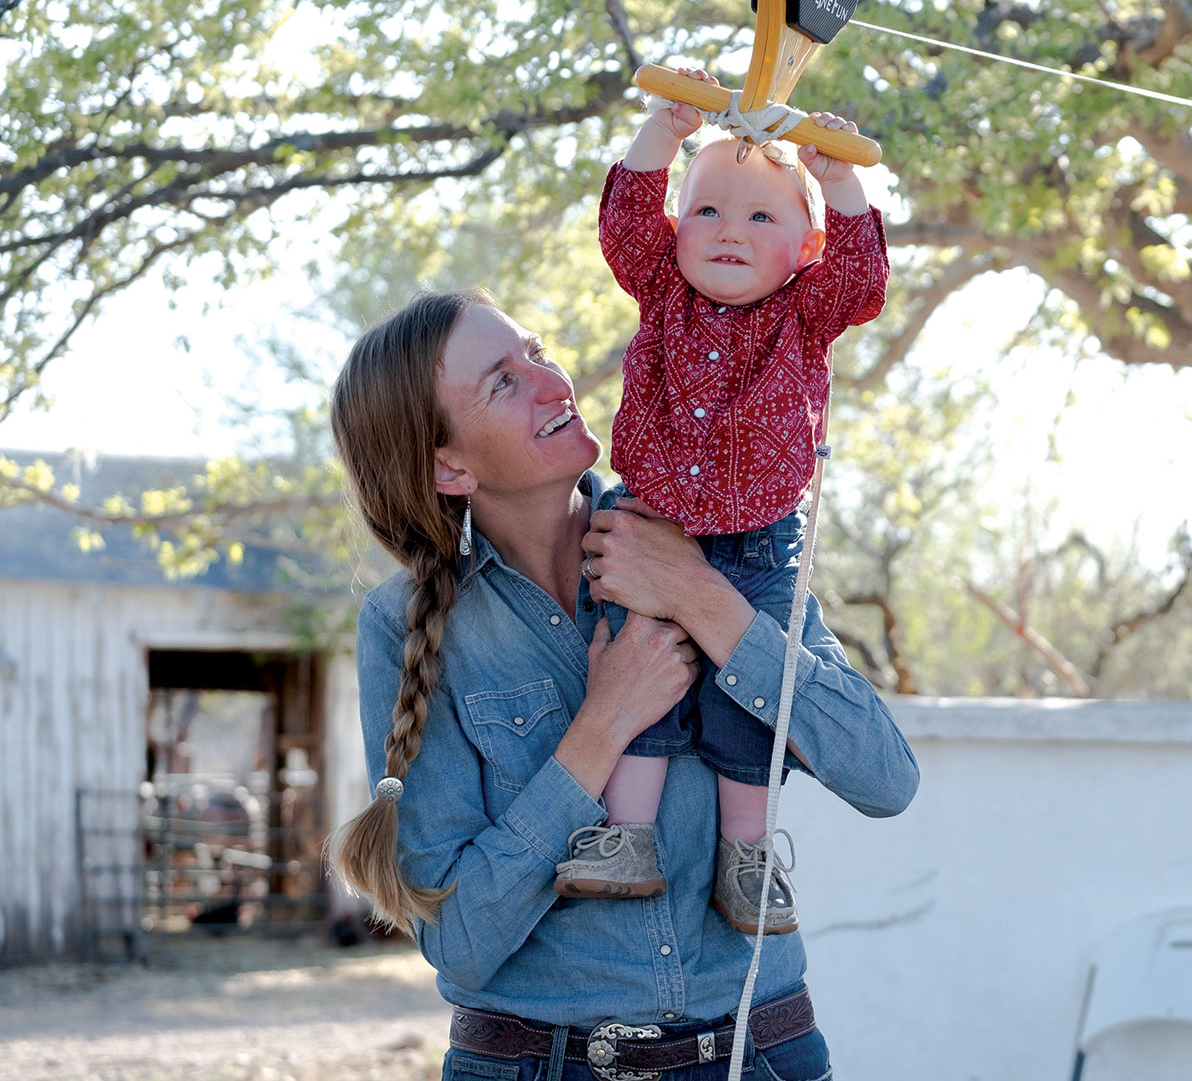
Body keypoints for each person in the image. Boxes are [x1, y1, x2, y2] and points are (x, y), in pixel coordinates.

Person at [327, 291, 917, 1081]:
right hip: (543, 1063)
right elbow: (461, 943)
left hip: (760, 1054)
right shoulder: (404, 627)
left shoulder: (726, 545)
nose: (552, 381)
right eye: (503, 381)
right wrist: (602, 727)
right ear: (449, 466)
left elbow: (886, 778)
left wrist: (701, 598)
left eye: (536, 350)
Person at [560, 72, 887, 931]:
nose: (730, 232)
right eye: (706, 211)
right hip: (651, 521)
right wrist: (663, 136)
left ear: (803, 247)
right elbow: (625, 224)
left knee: (753, 699)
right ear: (678, 230)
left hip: (759, 543)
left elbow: (860, 276)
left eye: (761, 217)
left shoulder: (806, 310)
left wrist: (843, 182)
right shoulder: (663, 289)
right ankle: (628, 838)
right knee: (641, 671)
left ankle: (746, 857)